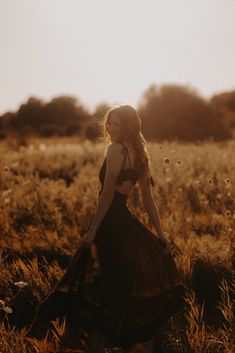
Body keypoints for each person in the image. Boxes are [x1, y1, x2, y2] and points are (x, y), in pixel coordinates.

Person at [26, 105, 185, 353]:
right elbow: (148, 200)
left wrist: (92, 231)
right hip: (125, 224)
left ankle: (70, 342)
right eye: (110, 123)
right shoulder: (141, 155)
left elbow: (108, 193)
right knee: (113, 286)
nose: (112, 128)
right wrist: (161, 234)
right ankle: (107, 342)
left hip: (110, 223)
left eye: (118, 123)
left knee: (88, 281)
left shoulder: (115, 150)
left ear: (130, 126)